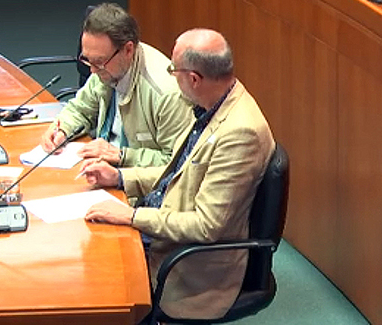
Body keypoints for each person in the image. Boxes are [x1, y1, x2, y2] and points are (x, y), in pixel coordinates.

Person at [82, 28, 275, 320]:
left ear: (194, 79)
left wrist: (131, 217)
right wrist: (120, 179)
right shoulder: (212, 104)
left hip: (188, 265)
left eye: (174, 70)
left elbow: (206, 226)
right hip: (163, 227)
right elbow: (180, 173)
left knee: (100, 287)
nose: (171, 75)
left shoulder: (240, 132)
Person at [40, 3, 193, 167]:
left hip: (139, 183)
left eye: (98, 62)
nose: (92, 71)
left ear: (128, 50)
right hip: (99, 168)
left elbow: (176, 164)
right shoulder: (103, 69)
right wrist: (62, 129)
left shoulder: (165, 93)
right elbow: (81, 109)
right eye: (87, 60)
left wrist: (123, 156)